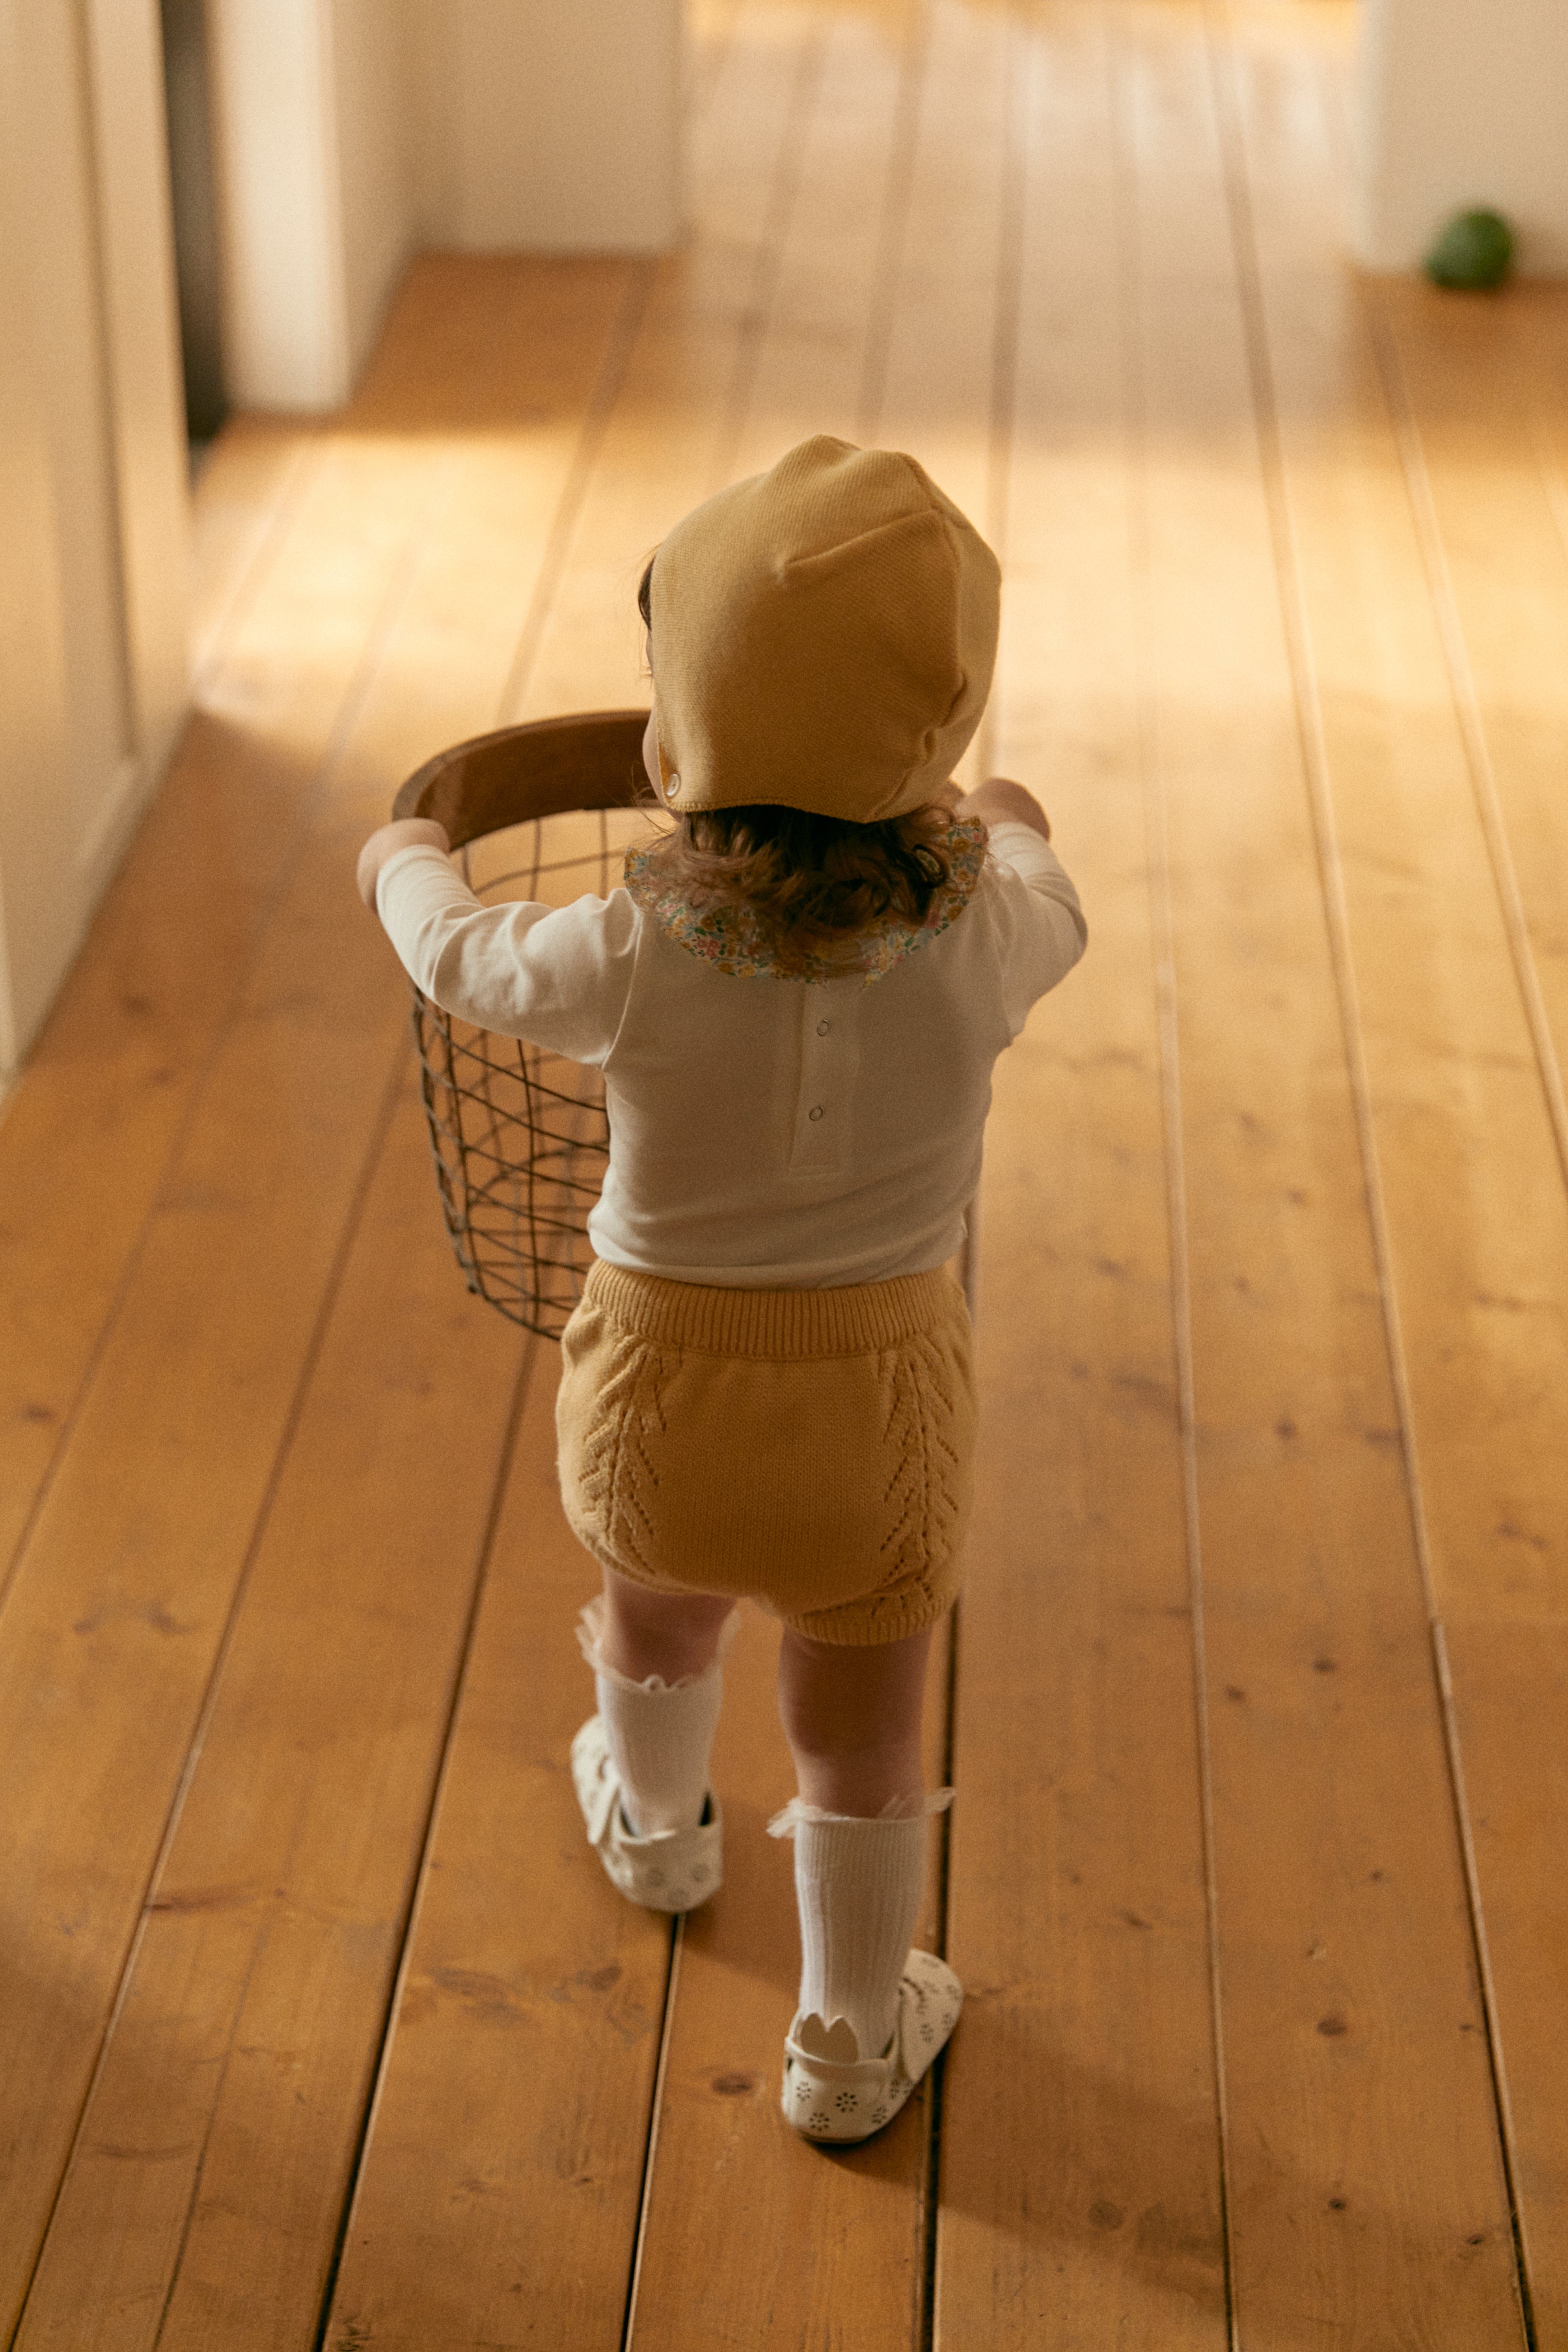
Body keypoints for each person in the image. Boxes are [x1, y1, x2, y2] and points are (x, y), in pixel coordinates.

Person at [356, 436, 1086, 2145]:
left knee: (654, 1610)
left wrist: (401, 854)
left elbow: (458, 954)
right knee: (859, 1735)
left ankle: (658, 1829)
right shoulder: (980, 938)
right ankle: (843, 2039)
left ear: (680, 728)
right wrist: (1017, 826)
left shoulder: (629, 953)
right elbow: (1051, 902)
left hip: (655, 1403)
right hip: (880, 1415)